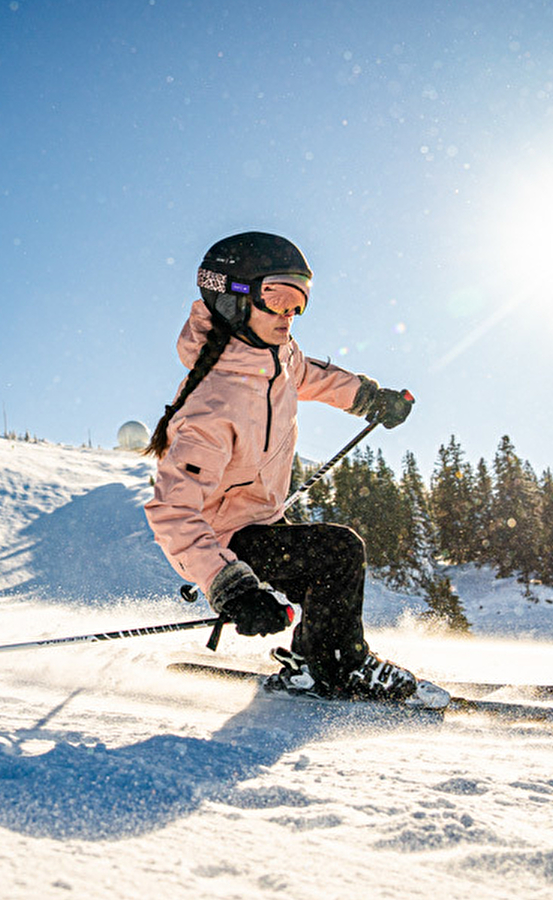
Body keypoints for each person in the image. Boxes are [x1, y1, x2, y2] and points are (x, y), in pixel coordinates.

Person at [142, 231, 450, 709]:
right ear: (232, 299)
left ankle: (316, 662)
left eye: (300, 300)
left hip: (261, 517)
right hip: (227, 536)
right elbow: (172, 513)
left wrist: (371, 399)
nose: (290, 314)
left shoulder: (275, 357)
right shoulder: (211, 405)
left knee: (325, 567)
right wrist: (230, 586)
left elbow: (314, 377)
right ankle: (339, 669)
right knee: (337, 551)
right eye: (279, 297)